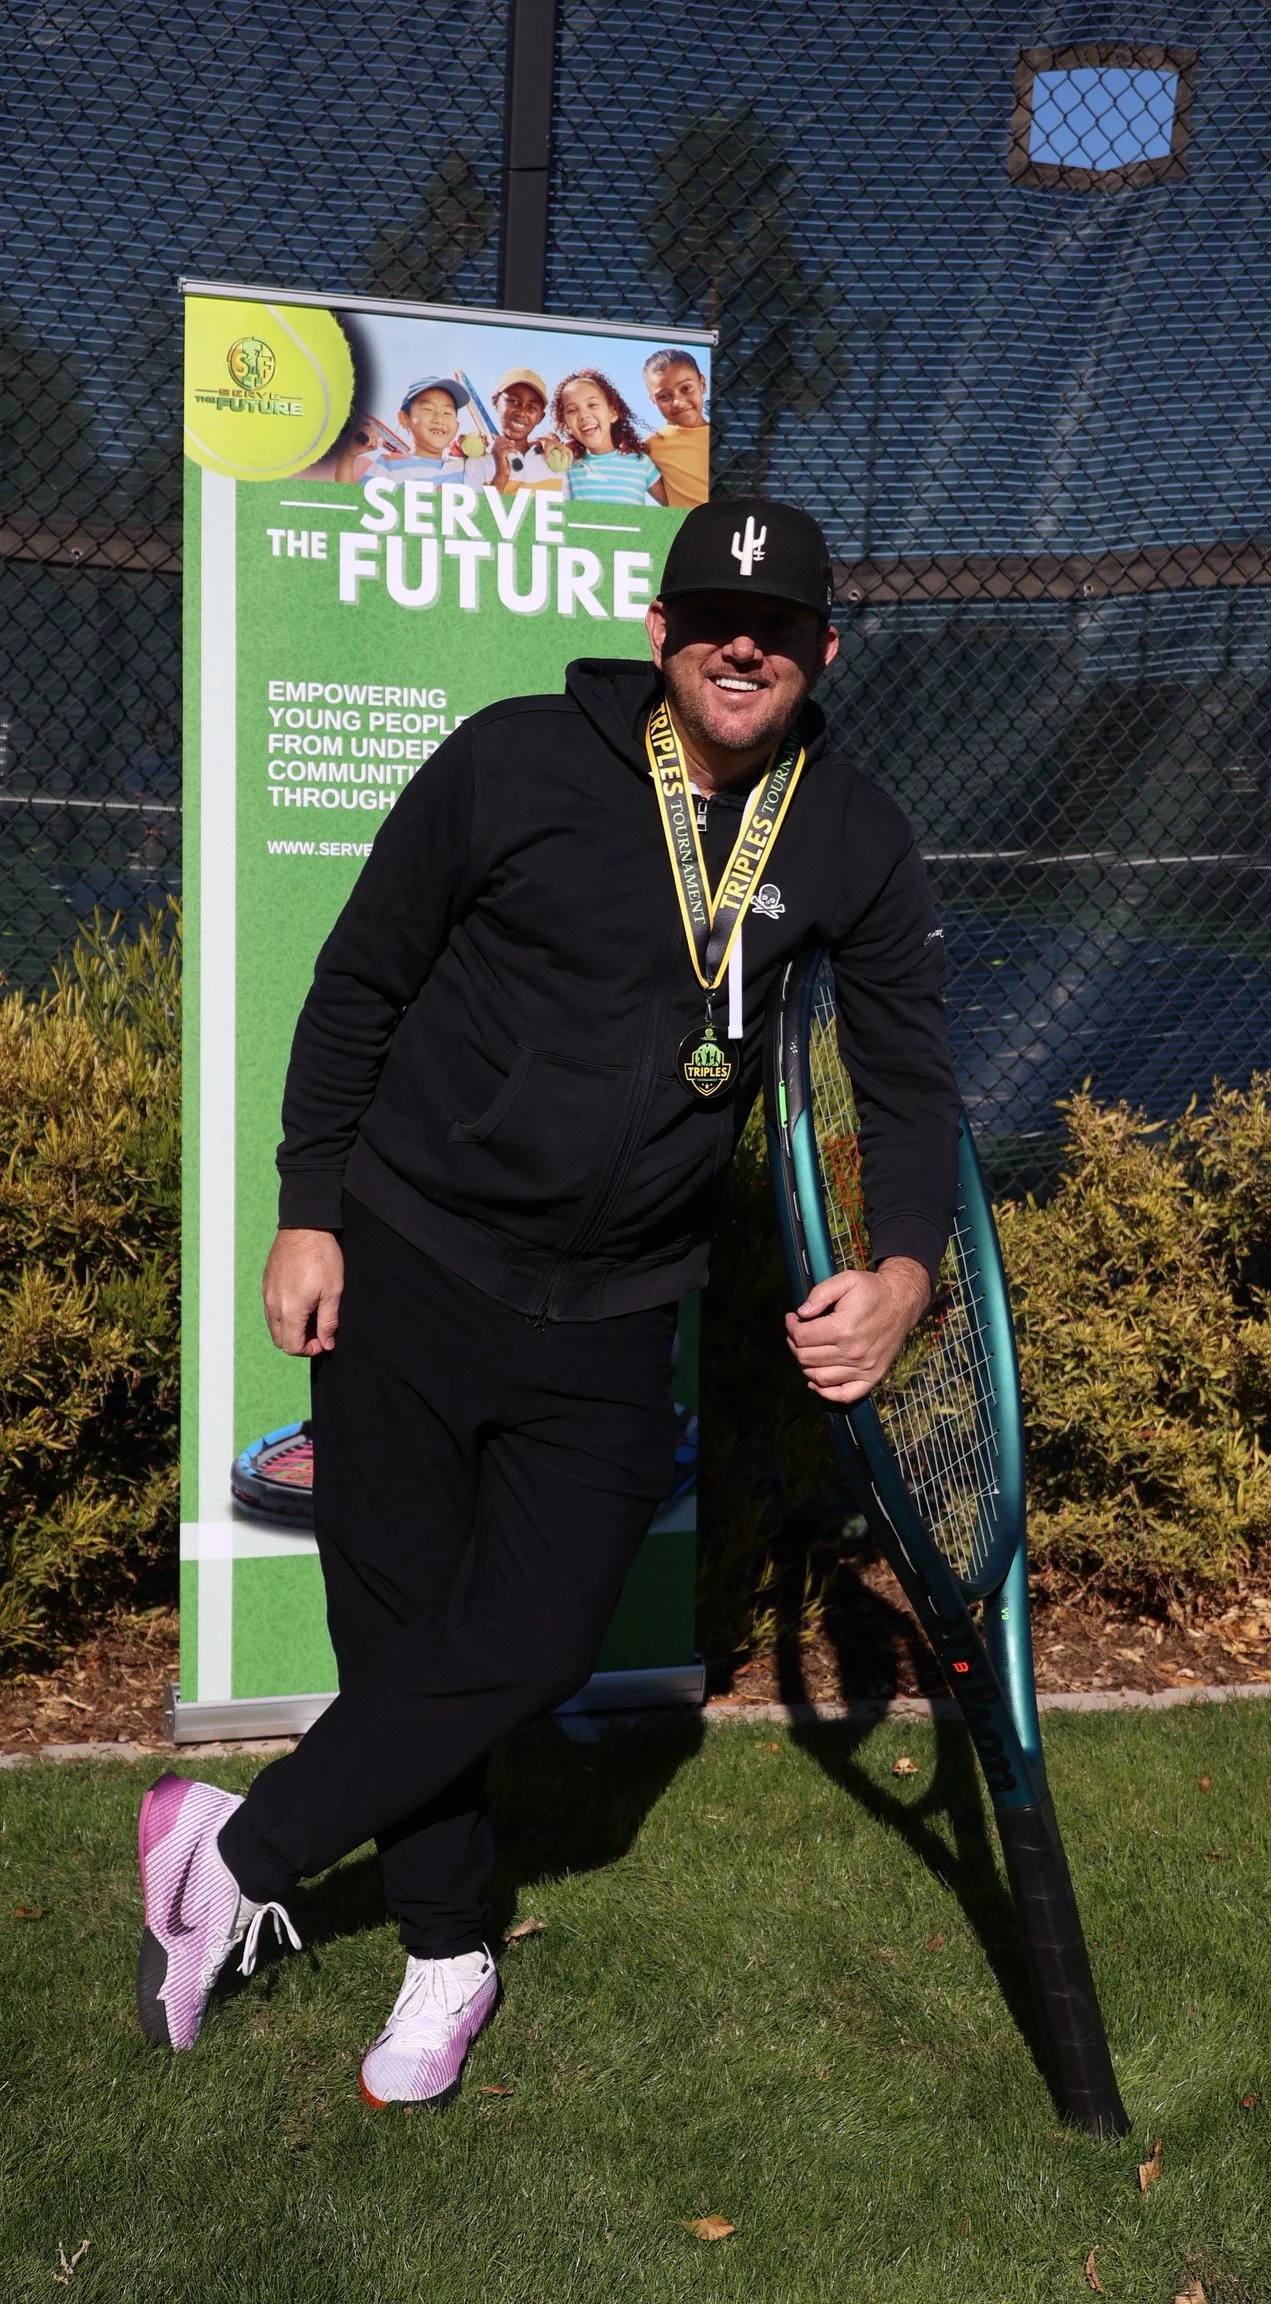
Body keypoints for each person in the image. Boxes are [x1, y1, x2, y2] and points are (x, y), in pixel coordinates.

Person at [134, 497, 958, 2109]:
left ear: (820, 655)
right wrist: (310, 1212)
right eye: (716, 620)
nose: (744, 644)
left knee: (531, 1637)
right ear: (659, 635)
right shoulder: (515, 758)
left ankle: (233, 1848)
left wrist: (907, 1273)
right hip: (413, 1257)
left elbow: (915, 1086)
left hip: (613, 1308)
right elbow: (360, 979)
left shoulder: (851, 832)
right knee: (396, 1630)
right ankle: (448, 1956)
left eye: (778, 628)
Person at [336, 375, 496, 488]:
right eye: (428, 409)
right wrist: (347, 457)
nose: (439, 419)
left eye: (447, 413)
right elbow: (352, 513)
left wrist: (481, 450)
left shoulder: (463, 467)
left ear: (456, 426)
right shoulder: (388, 465)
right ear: (404, 419)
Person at [553, 368, 663, 505]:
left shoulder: (641, 463)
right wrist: (547, 442)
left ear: (612, 413)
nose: (583, 415)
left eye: (592, 405)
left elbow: (676, 508)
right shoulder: (569, 466)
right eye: (572, 410)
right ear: (566, 424)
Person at [641, 347, 710, 509]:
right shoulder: (650, 447)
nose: (678, 402)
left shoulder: (728, 437)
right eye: (664, 396)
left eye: (686, 388)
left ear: (702, 384)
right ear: (652, 399)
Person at [486, 365, 568, 495]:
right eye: (513, 401)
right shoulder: (477, 461)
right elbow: (479, 514)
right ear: (495, 402)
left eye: (531, 407)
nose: (522, 412)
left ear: (540, 417)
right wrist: (501, 475)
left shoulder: (553, 460)